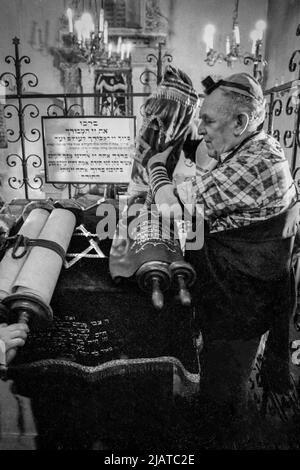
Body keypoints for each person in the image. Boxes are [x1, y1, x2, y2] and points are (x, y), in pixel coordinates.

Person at [143, 72, 299, 448]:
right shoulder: (253, 148)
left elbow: (170, 207)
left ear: (240, 122)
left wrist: (156, 165)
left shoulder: (256, 164)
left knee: (223, 403)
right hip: (239, 294)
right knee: (217, 385)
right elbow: (203, 159)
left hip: (241, 304)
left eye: (209, 120)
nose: (202, 128)